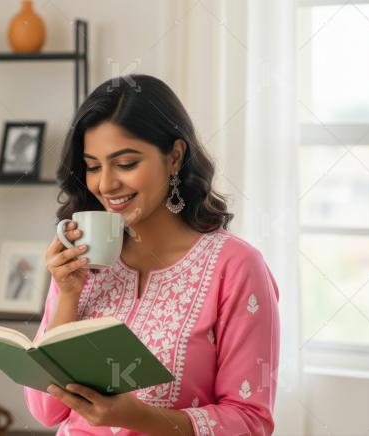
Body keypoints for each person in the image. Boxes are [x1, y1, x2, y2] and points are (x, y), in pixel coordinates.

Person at [24, 74, 280, 435]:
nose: (106, 184)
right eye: (93, 166)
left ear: (174, 156)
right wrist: (67, 294)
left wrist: (137, 417)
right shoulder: (82, 261)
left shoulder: (235, 266)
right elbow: (46, 411)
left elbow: (251, 421)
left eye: (125, 163)